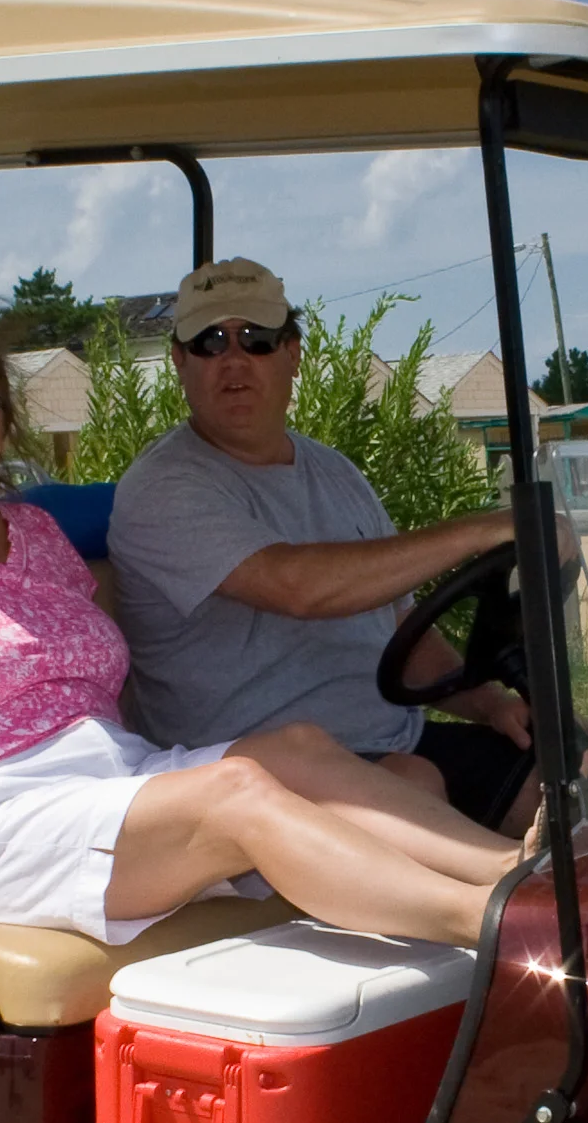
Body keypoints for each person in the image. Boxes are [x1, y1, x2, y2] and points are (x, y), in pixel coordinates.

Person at [0, 309, 525, 950]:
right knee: (240, 791)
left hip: (107, 774)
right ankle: (498, 926)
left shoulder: (37, 535)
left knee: (301, 748)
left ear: (2, 423)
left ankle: (521, 872)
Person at [105, 258, 541, 831]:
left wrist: (491, 704)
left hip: (389, 742)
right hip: (252, 780)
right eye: (210, 342)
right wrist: (482, 529)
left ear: (292, 354)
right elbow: (297, 586)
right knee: (414, 785)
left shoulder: (335, 472)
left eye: (257, 339)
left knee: (568, 768)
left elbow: (400, 630)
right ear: (180, 361)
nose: (234, 360)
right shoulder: (163, 488)